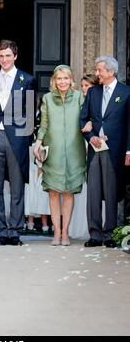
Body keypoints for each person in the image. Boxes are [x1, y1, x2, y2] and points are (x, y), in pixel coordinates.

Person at [0, 39, 36, 246]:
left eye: (7, 55)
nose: (4, 59)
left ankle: (14, 231)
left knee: (17, 186)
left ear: (15, 56)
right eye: (0, 56)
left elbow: (30, 112)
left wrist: (26, 140)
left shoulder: (28, 79)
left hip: (17, 138)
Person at [80, 55, 130, 248]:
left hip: (114, 150)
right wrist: (89, 135)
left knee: (111, 192)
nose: (97, 73)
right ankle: (95, 234)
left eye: (100, 70)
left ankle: (109, 234)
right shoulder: (93, 92)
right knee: (93, 192)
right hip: (94, 148)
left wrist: (128, 151)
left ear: (111, 72)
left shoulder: (126, 92)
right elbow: (83, 119)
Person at [34, 65, 86, 246]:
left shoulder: (79, 96)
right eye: (59, 79)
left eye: (66, 78)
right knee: (54, 192)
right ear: (54, 81)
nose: (62, 82)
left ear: (71, 80)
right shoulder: (47, 99)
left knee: (69, 192)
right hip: (53, 151)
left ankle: (65, 233)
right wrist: (38, 142)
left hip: (74, 150)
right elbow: (44, 124)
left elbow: (85, 119)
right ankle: (56, 232)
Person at [68, 73, 98, 240]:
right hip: (78, 143)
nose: (85, 89)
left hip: (94, 142)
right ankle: (78, 227)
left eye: (88, 86)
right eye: (83, 86)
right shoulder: (79, 102)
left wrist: (92, 123)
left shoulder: (98, 101)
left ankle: (93, 227)